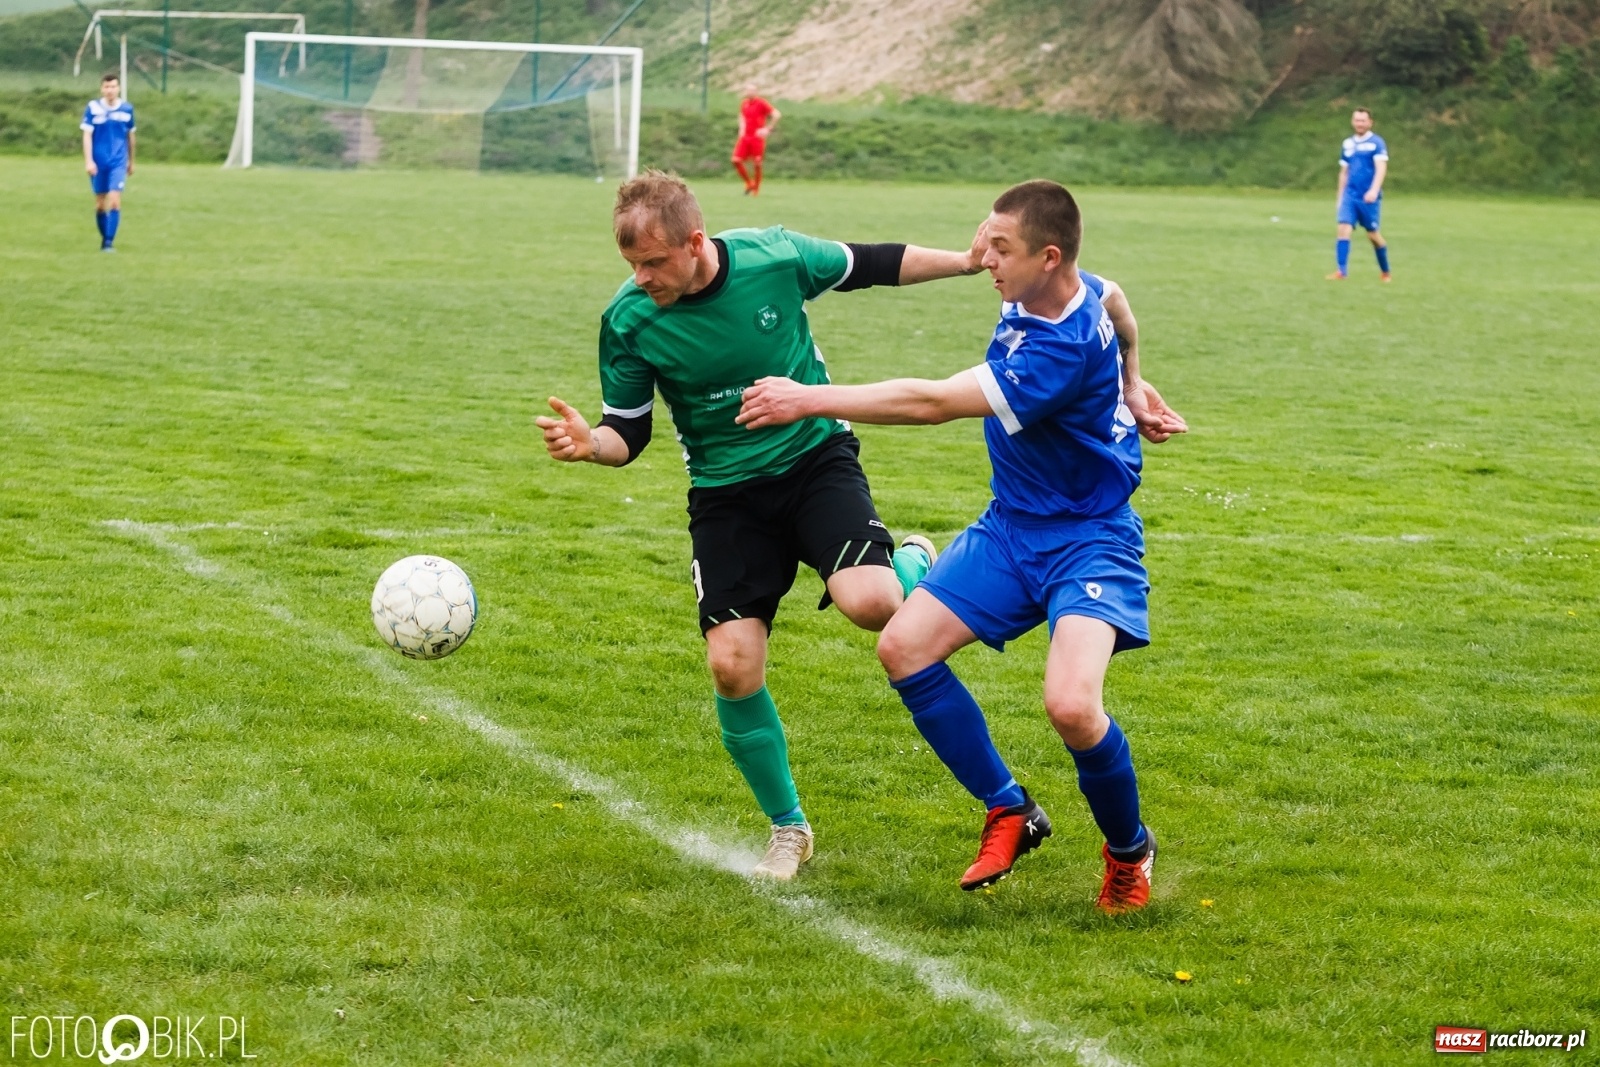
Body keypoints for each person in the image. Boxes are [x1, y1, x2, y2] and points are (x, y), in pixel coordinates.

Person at [736, 179, 1187, 912]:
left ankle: (1129, 851)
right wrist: (1135, 384)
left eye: (1000, 250)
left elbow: (934, 401)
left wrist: (809, 396)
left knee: (1072, 706)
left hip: (1090, 538)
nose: (987, 261)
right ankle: (1009, 808)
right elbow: (1119, 300)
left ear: (1048, 256)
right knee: (902, 647)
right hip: (1011, 526)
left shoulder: (1055, 348)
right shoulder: (1062, 287)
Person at [536, 170, 991, 880]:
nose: (642, 277)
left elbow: (868, 263)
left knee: (874, 606)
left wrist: (963, 262)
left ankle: (908, 567)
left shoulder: (772, 257)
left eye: (654, 262)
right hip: (725, 496)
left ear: (695, 242)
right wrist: (589, 444)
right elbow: (628, 430)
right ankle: (789, 828)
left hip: (815, 462)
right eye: (631, 264)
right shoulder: (628, 320)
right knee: (732, 664)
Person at [1328, 107, 1390, 281]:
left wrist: (1374, 190)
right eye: (1357, 120)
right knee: (1343, 228)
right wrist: (1340, 197)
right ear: (1352, 121)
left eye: (1363, 120)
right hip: (1350, 195)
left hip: (1369, 197)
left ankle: (1385, 271)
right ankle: (1341, 271)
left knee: (1373, 235)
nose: (1359, 124)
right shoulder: (1348, 144)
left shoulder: (1377, 143)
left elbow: (1381, 168)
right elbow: (1344, 172)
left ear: (1370, 122)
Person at [82, 72, 136, 253]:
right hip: (98, 162)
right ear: (102, 89)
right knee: (100, 203)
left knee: (114, 200)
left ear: (118, 88)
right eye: (107, 87)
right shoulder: (93, 108)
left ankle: (108, 242)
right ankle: (104, 237)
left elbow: (130, 136)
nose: (110, 90)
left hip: (118, 163)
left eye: (113, 86)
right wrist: (89, 161)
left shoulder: (127, 109)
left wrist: (131, 161)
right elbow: (87, 135)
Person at [731, 84, 779, 196]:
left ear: (756, 92)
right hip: (745, 137)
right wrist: (741, 128)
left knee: (757, 163)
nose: (749, 92)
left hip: (757, 138)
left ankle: (756, 190)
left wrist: (767, 129)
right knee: (736, 160)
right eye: (747, 90)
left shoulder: (761, 103)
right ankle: (749, 183)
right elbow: (741, 116)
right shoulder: (744, 103)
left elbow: (776, 114)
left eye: (752, 90)